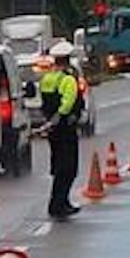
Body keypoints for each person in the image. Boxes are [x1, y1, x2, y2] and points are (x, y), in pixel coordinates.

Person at [35, 41, 84, 219]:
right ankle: (59, 204)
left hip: (53, 130)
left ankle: (60, 203)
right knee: (68, 168)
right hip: (65, 128)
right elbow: (68, 102)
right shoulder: (67, 79)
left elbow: (44, 103)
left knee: (58, 166)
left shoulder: (47, 78)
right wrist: (63, 116)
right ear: (67, 60)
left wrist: (50, 121)